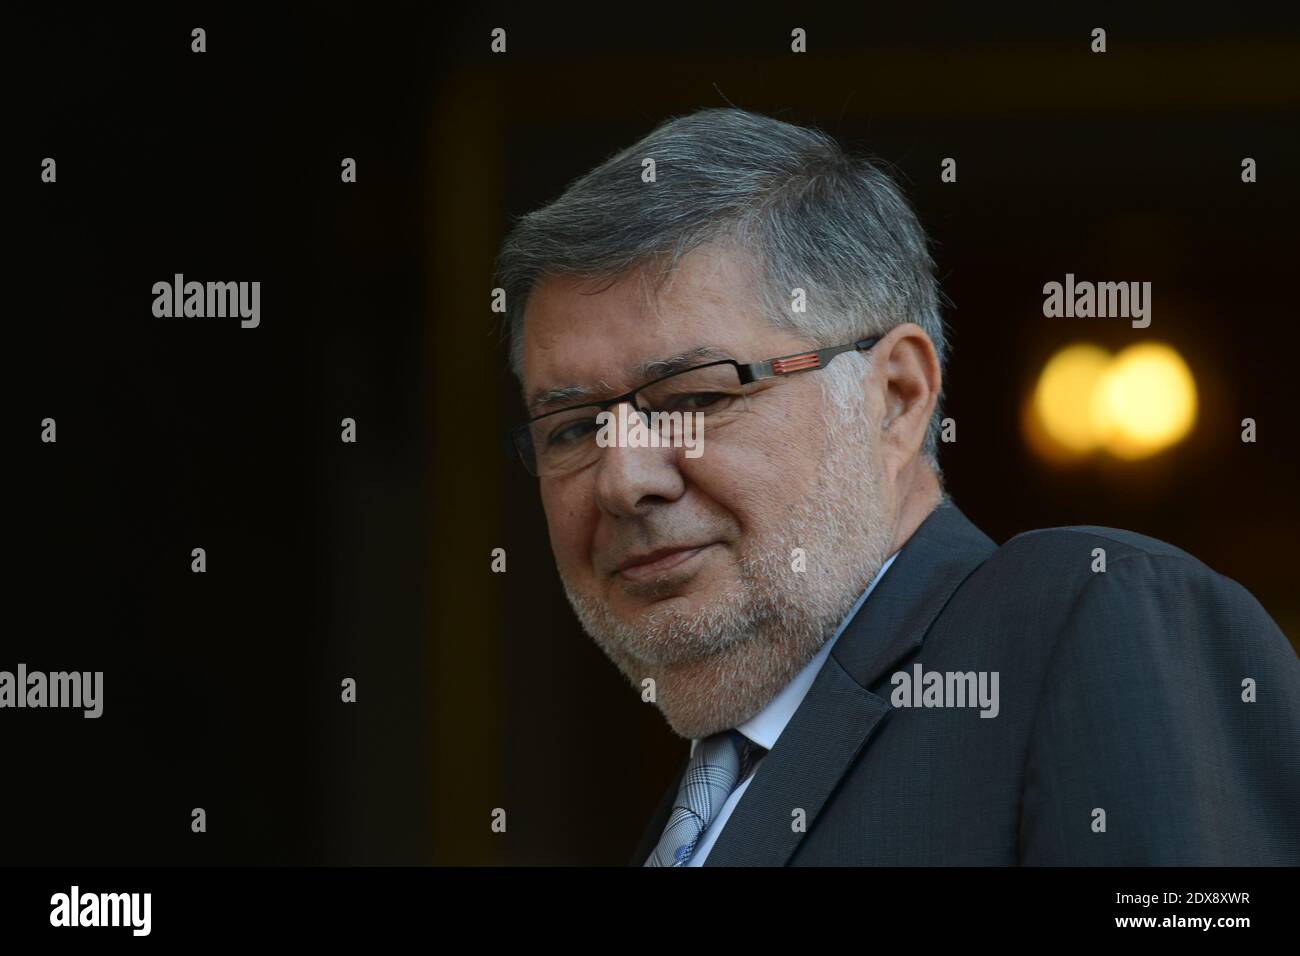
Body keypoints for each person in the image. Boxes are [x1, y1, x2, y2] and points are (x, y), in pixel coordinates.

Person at [493, 107, 1300, 865]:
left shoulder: (1093, 620)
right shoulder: (700, 805)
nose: (623, 478)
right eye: (572, 428)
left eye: (696, 397)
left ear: (896, 399)